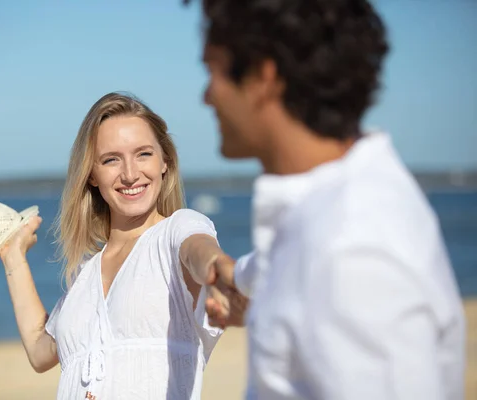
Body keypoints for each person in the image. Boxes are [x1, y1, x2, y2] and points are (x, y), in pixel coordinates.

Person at [183, 0, 467, 399]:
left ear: (264, 77)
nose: (206, 97)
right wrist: (239, 280)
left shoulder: (353, 248)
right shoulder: (328, 211)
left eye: (212, 71)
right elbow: (285, 261)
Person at [0, 92, 225, 400]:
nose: (130, 174)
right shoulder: (85, 273)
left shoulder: (176, 231)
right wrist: (14, 260)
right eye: (111, 159)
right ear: (91, 174)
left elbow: (199, 251)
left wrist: (220, 271)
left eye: (143, 154)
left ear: (165, 163)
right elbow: (40, 353)